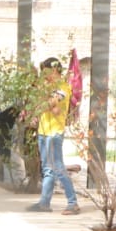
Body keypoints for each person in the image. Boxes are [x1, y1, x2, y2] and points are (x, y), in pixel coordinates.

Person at [27, 57, 79, 215]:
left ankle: (73, 203)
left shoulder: (62, 87)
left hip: (54, 133)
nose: (44, 76)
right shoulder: (48, 88)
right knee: (48, 169)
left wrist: (43, 98)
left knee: (58, 168)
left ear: (55, 70)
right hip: (43, 131)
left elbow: (50, 103)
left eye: (46, 72)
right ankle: (44, 203)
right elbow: (45, 106)